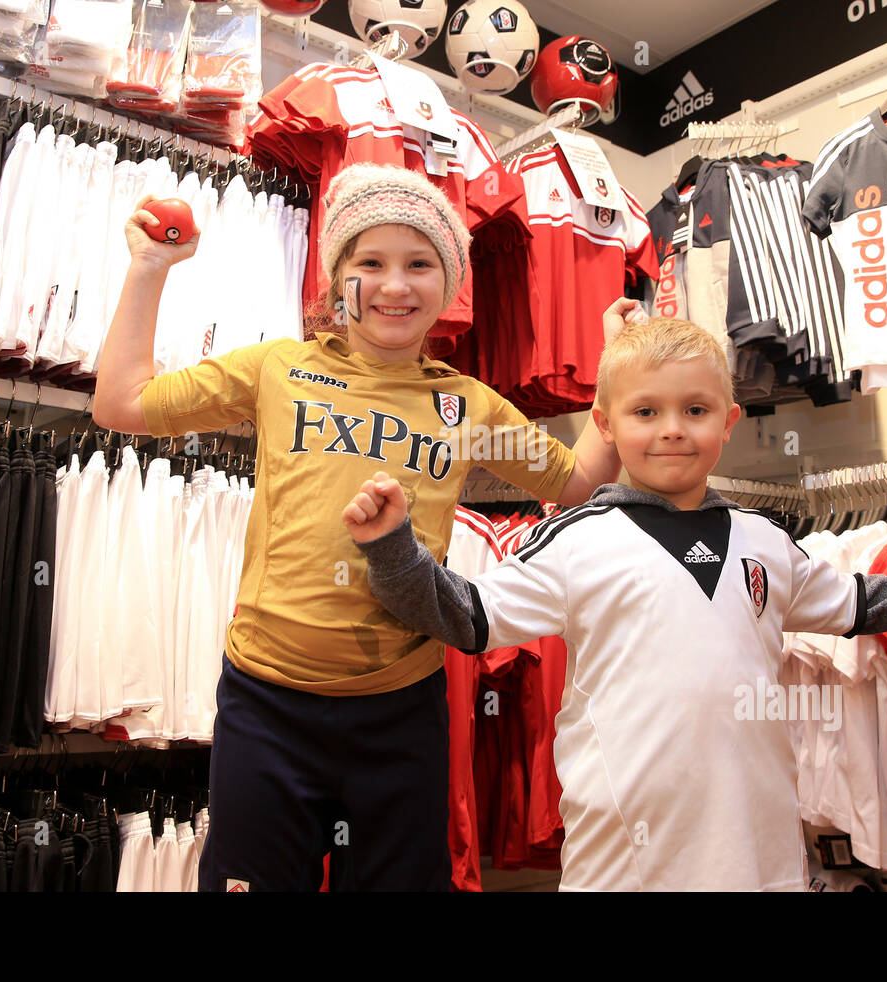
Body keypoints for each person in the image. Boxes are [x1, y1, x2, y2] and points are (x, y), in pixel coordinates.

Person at [343, 316, 887, 891]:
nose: (672, 428)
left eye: (695, 410)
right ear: (606, 424)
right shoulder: (575, 540)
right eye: (647, 411)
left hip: (760, 854)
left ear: (729, 422)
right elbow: (463, 616)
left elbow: (866, 601)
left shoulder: (766, 541)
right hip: (625, 860)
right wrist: (393, 550)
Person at [93, 162, 637, 891]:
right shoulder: (279, 369)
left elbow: (575, 480)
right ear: (335, 279)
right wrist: (151, 268)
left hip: (400, 710)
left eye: (419, 264)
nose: (394, 284)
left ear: (446, 287)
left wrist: (617, 368)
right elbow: (121, 404)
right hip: (266, 702)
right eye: (369, 262)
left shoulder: (466, 405)